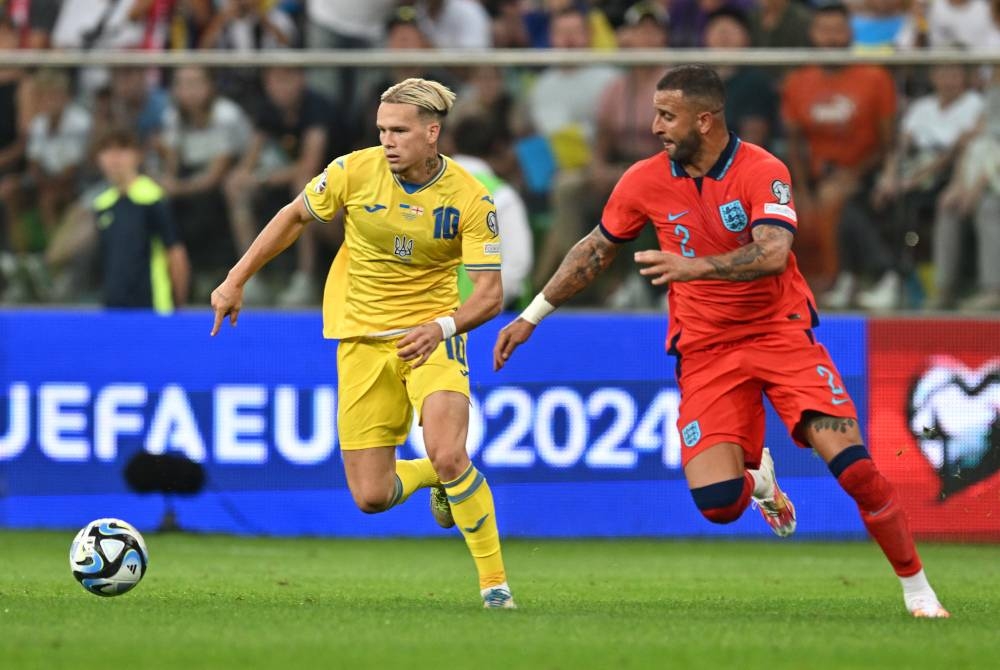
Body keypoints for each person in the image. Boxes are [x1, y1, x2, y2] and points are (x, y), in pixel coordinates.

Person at [494, 65, 949, 618]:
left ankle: (917, 590)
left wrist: (694, 268)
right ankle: (759, 483)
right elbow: (595, 249)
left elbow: (773, 252)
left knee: (854, 467)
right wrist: (533, 315)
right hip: (706, 351)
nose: (655, 126)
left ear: (704, 121)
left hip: (781, 336)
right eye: (655, 113)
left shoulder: (763, 169)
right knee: (717, 506)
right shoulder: (643, 179)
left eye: (667, 116)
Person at [210, 78, 515, 609]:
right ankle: (437, 479)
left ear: (432, 133)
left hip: (431, 337)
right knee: (371, 496)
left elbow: (489, 295)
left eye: (399, 130)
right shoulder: (354, 171)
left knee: (449, 451)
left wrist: (442, 328)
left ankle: (495, 588)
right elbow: (294, 217)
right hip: (361, 340)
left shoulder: (469, 197)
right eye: (382, 130)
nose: (388, 140)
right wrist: (237, 278)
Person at [91, 127, 189, 311]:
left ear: (137, 155)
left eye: (122, 149)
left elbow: (176, 253)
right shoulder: (102, 205)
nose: (114, 158)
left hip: (151, 307)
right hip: (114, 308)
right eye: (107, 150)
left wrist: (178, 307)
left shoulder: (152, 199)